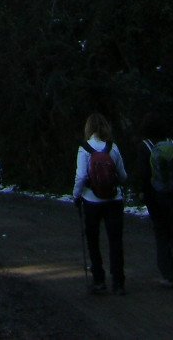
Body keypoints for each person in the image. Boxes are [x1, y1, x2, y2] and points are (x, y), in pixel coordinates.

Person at [137, 116, 173, 287]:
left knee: (161, 234)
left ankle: (168, 276)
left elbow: (144, 174)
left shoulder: (145, 147)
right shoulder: (172, 144)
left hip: (156, 197)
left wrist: (143, 193)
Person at [73, 112, 127, 294]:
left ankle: (99, 280)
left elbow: (81, 176)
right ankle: (118, 282)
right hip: (114, 199)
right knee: (115, 241)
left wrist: (76, 196)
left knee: (93, 240)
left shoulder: (84, 149)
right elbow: (123, 175)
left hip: (91, 200)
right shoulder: (113, 147)